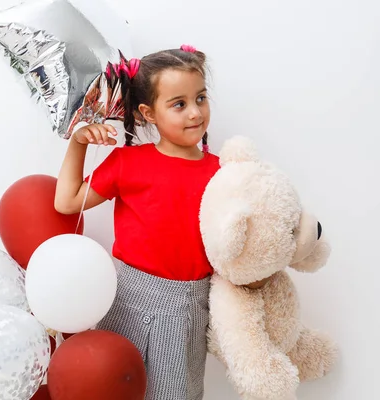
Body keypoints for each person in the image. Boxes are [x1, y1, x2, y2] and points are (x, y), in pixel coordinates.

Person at [54, 44, 220, 400]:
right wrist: (79, 141)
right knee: (109, 388)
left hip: (186, 311)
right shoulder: (127, 163)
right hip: (126, 299)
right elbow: (66, 202)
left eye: (201, 98)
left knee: (176, 394)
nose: (195, 112)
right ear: (148, 113)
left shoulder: (222, 173)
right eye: (179, 104)